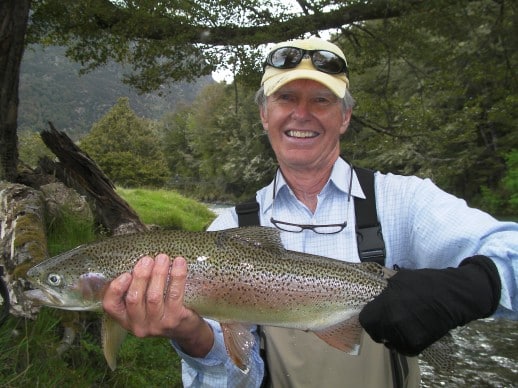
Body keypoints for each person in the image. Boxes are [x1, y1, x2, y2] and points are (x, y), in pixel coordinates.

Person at [102, 37, 518, 387]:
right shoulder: (228, 229)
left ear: (345, 116)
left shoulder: (402, 201)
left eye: (321, 100)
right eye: (285, 98)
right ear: (265, 114)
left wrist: (471, 286)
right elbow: (239, 377)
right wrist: (193, 337)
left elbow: (509, 248)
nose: (301, 114)